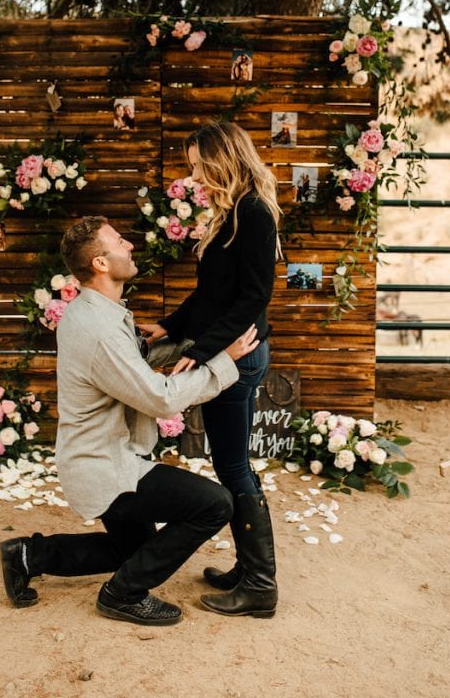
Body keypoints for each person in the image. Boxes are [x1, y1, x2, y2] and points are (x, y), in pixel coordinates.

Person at [0, 215, 259, 627]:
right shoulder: (99, 328)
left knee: (132, 551)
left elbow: (126, 365)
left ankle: (29, 555)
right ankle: (123, 594)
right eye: (120, 241)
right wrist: (224, 362)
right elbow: (159, 398)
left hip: (101, 456)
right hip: (106, 466)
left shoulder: (95, 312)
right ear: (101, 263)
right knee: (215, 504)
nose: (130, 246)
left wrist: (187, 343)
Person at [139, 120, 281, 618]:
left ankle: (260, 586)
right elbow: (209, 295)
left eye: (201, 166)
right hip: (226, 351)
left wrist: (203, 354)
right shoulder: (229, 213)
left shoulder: (254, 213)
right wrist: (168, 325)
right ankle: (250, 570)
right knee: (231, 463)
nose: (195, 176)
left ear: (226, 159)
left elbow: (253, 297)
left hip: (238, 357)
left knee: (233, 466)